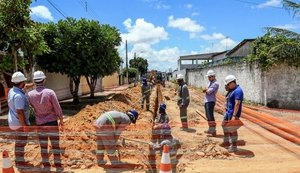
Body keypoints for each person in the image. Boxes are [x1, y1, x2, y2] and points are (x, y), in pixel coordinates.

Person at [27, 71, 64, 171]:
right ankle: (58, 166)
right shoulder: (50, 92)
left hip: (40, 124)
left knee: (43, 146)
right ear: (44, 80)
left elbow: (31, 107)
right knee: (55, 145)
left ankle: (46, 166)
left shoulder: (30, 95)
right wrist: (61, 120)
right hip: (52, 122)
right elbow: (57, 108)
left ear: (34, 81)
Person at [7, 72, 30, 170]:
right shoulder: (19, 96)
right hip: (19, 123)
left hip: (14, 121)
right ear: (21, 82)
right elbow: (20, 112)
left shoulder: (12, 91)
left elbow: (23, 87)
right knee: (21, 142)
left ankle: (19, 160)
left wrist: (32, 84)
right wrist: (24, 126)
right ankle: (20, 163)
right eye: (24, 81)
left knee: (19, 141)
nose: (25, 83)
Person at [221, 75, 244, 153]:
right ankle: (226, 142)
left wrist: (234, 116)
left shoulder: (238, 91)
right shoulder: (232, 90)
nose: (227, 86)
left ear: (232, 83)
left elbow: (237, 103)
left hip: (233, 114)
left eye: (227, 84)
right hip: (228, 112)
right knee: (224, 125)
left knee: (232, 130)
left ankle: (234, 146)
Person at [203, 70, 219, 136]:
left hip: (210, 101)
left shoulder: (215, 83)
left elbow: (208, 91)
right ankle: (210, 129)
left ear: (213, 76)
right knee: (208, 116)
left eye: (209, 77)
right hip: (207, 101)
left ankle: (213, 131)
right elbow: (206, 89)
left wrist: (206, 90)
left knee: (210, 116)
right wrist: (206, 90)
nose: (208, 78)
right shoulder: (210, 83)